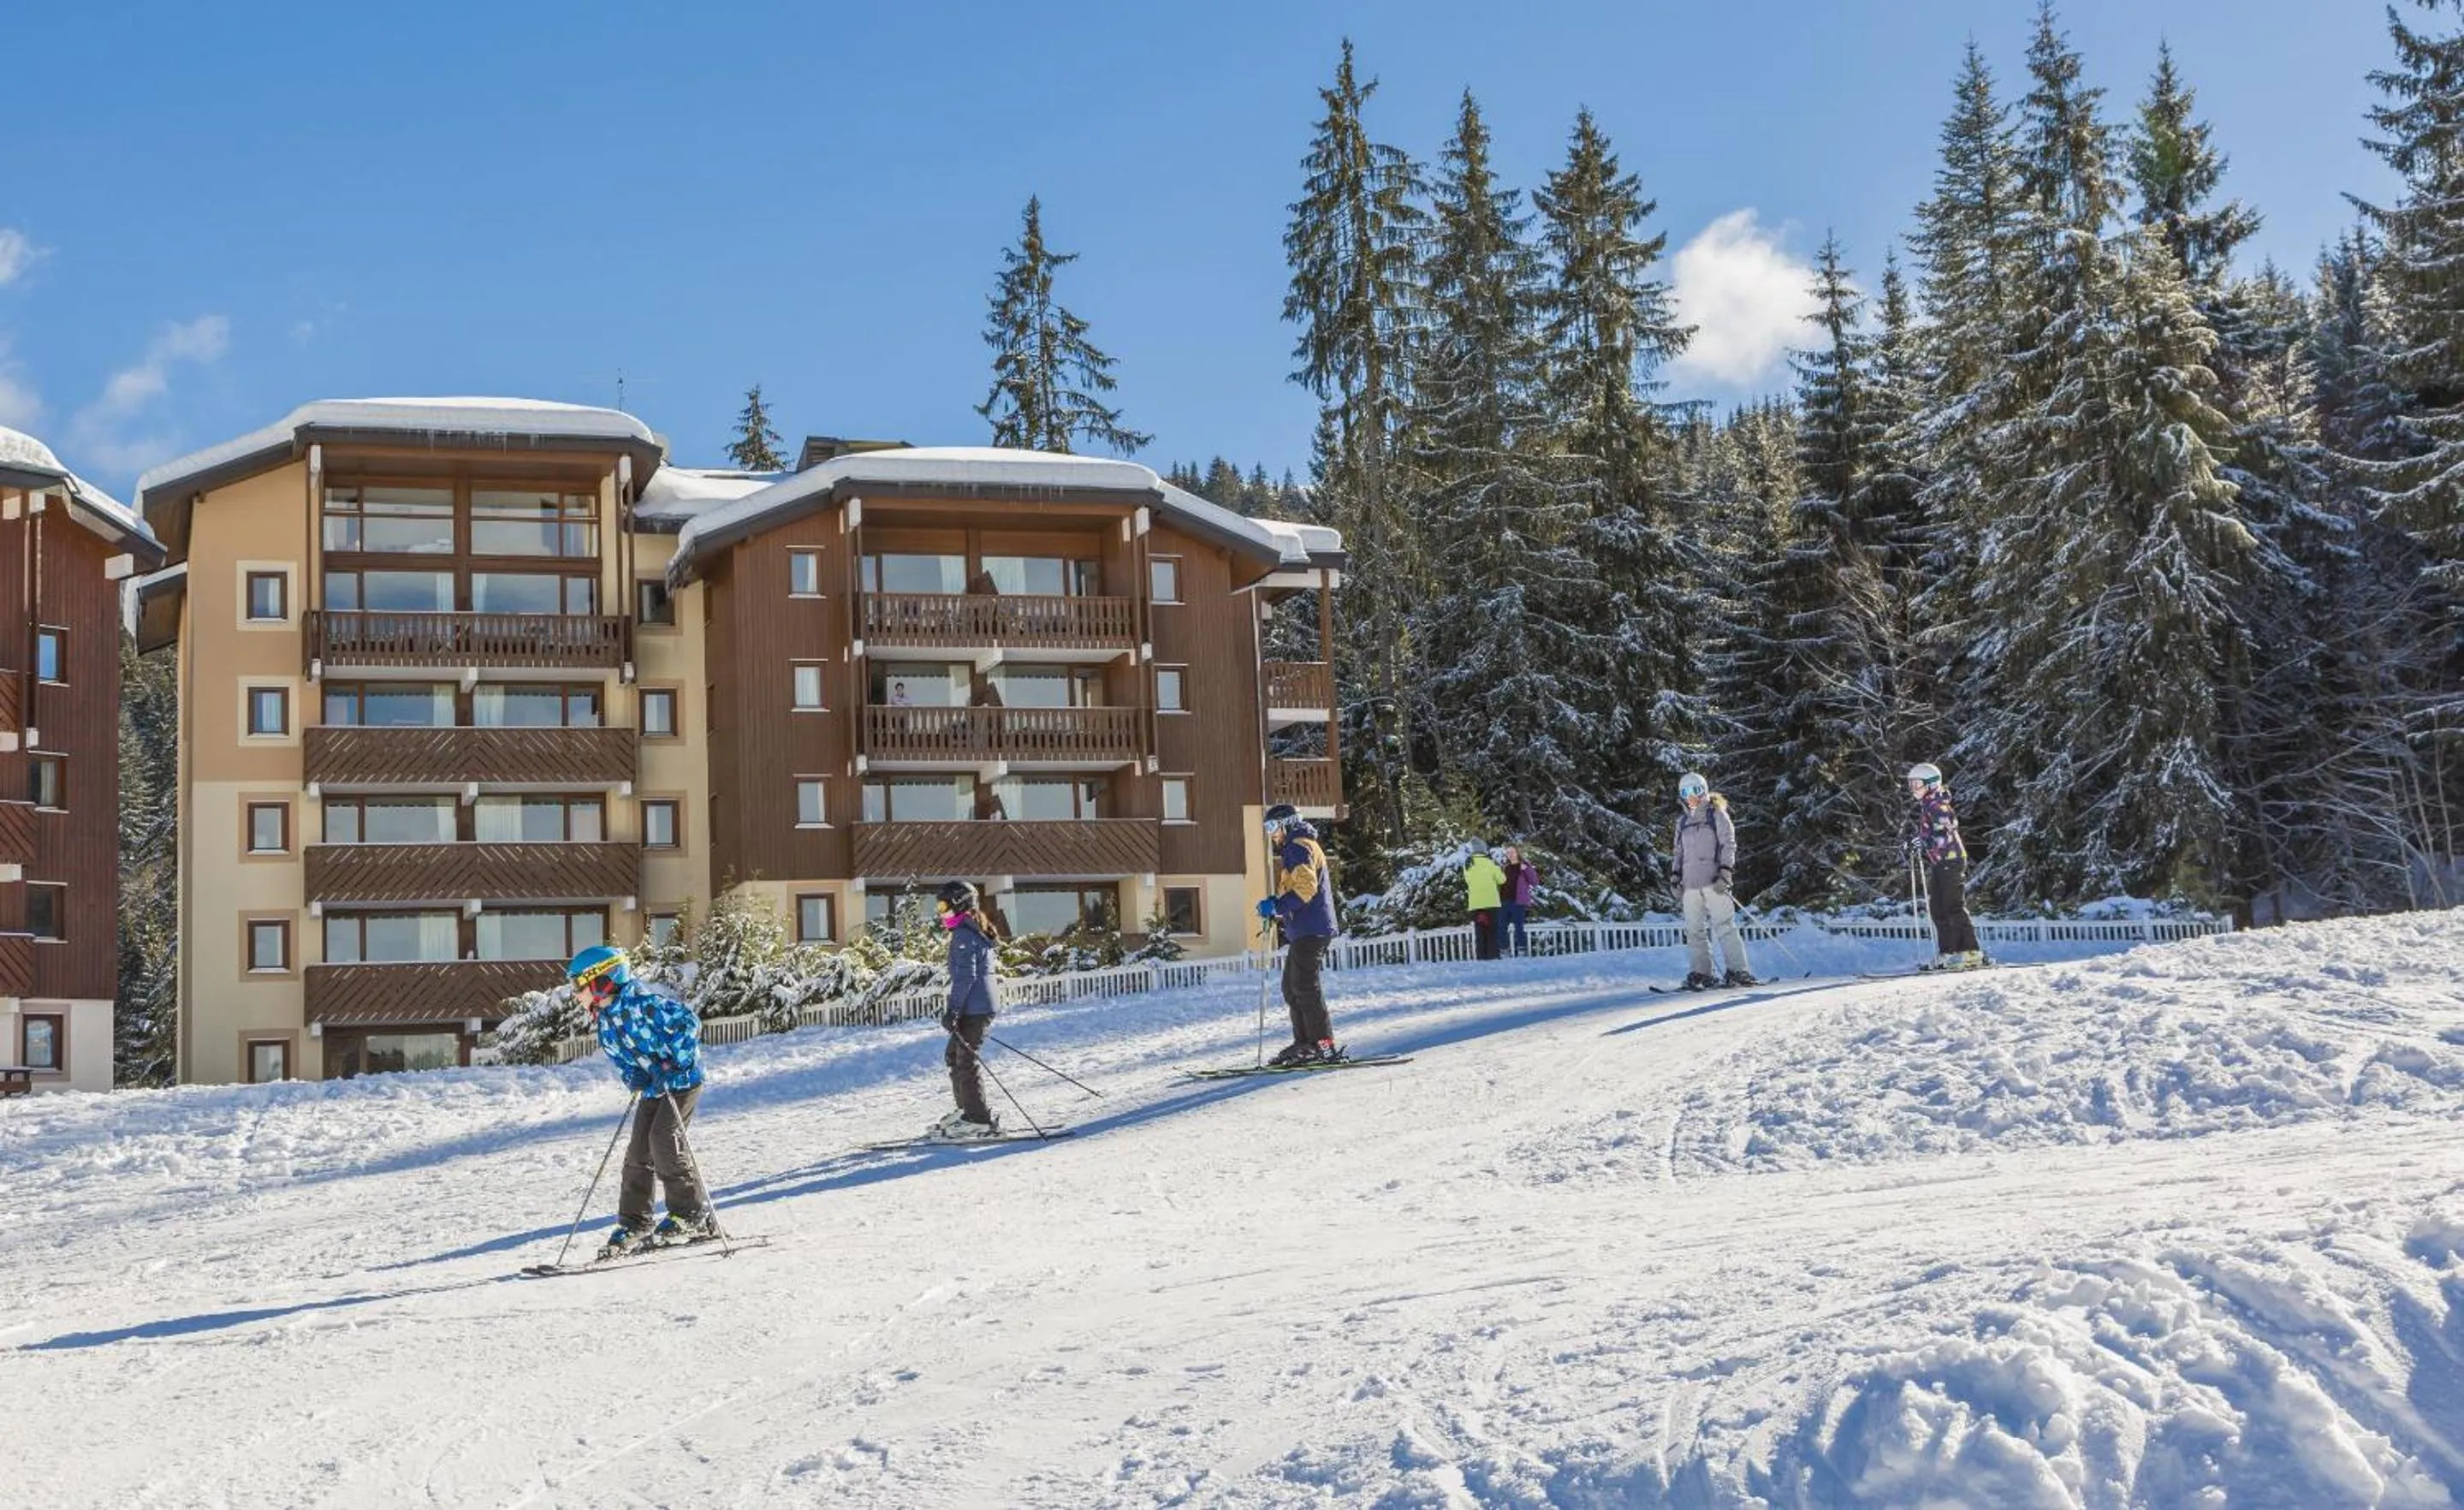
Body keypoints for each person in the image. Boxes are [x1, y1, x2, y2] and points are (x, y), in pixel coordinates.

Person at [567, 945, 715, 1260]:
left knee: (663, 1139)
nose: (575, 994)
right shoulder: (606, 1020)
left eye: (578, 984)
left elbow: (688, 1023)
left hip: (683, 1083)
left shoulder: (644, 1004)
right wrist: (634, 1076)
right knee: (637, 1153)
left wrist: (676, 1065)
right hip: (654, 1088)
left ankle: (691, 1214)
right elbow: (623, 1059)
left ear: (602, 979)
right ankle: (635, 1223)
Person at [1257, 802, 1345, 1065]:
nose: (1271, 834)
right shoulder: (1298, 846)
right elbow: (1298, 888)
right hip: (1306, 929)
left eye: (1272, 827)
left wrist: (1278, 906)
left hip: (1312, 928)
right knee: (1291, 987)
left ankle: (1322, 1045)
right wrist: (1277, 904)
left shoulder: (1298, 846)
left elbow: (1306, 888)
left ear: (1287, 824)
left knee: (1304, 986)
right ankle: (1305, 1043)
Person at [931, 880, 1005, 1138]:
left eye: (943, 906)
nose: (941, 913)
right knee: (954, 1055)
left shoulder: (964, 934)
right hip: (977, 1006)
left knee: (965, 1060)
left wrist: (953, 1012)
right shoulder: (970, 930)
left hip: (976, 1007)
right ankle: (967, 1112)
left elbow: (965, 977)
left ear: (959, 904)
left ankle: (978, 1119)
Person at [1673, 773, 1757, 989]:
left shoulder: (1716, 815)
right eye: (1685, 792)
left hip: (1714, 881)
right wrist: (1675, 877)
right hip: (1690, 884)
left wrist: (1725, 873)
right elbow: (1678, 852)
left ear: (1703, 790)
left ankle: (1738, 971)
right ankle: (1702, 973)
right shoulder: (1682, 822)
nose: (1690, 796)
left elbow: (1729, 844)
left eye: (1695, 790)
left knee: (1724, 926)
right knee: (1694, 931)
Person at [1905, 763, 1985, 970]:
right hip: (1941, 861)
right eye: (1911, 784)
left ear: (1931, 784)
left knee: (1953, 906)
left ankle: (1971, 951)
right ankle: (1949, 952)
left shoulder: (1937, 805)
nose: (1913, 788)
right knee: (1938, 908)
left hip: (1951, 859)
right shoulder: (1928, 804)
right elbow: (1929, 832)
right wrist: (1915, 842)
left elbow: (1946, 829)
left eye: (1917, 784)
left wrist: (1926, 842)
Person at [1464, 841, 1507, 960]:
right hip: (1491, 902)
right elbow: (1502, 880)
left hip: (1475, 904)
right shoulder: (1490, 863)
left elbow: (1468, 881)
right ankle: (1493, 956)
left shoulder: (1468, 864)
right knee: (1492, 931)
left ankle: (1481, 957)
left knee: (1480, 931)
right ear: (1484, 850)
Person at [1498, 844, 1540, 957]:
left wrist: (1527, 870)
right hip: (1504, 901)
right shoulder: (1505, 867)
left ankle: (1522, 950)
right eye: (1508, 852)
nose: (1510, 854)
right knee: (1501, 927)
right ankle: (1504, 950)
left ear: (1517, 853)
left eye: (1512, 852)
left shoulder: (1524, 866)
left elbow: (1535, 882)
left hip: (1518, 902)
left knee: (1519, 927)